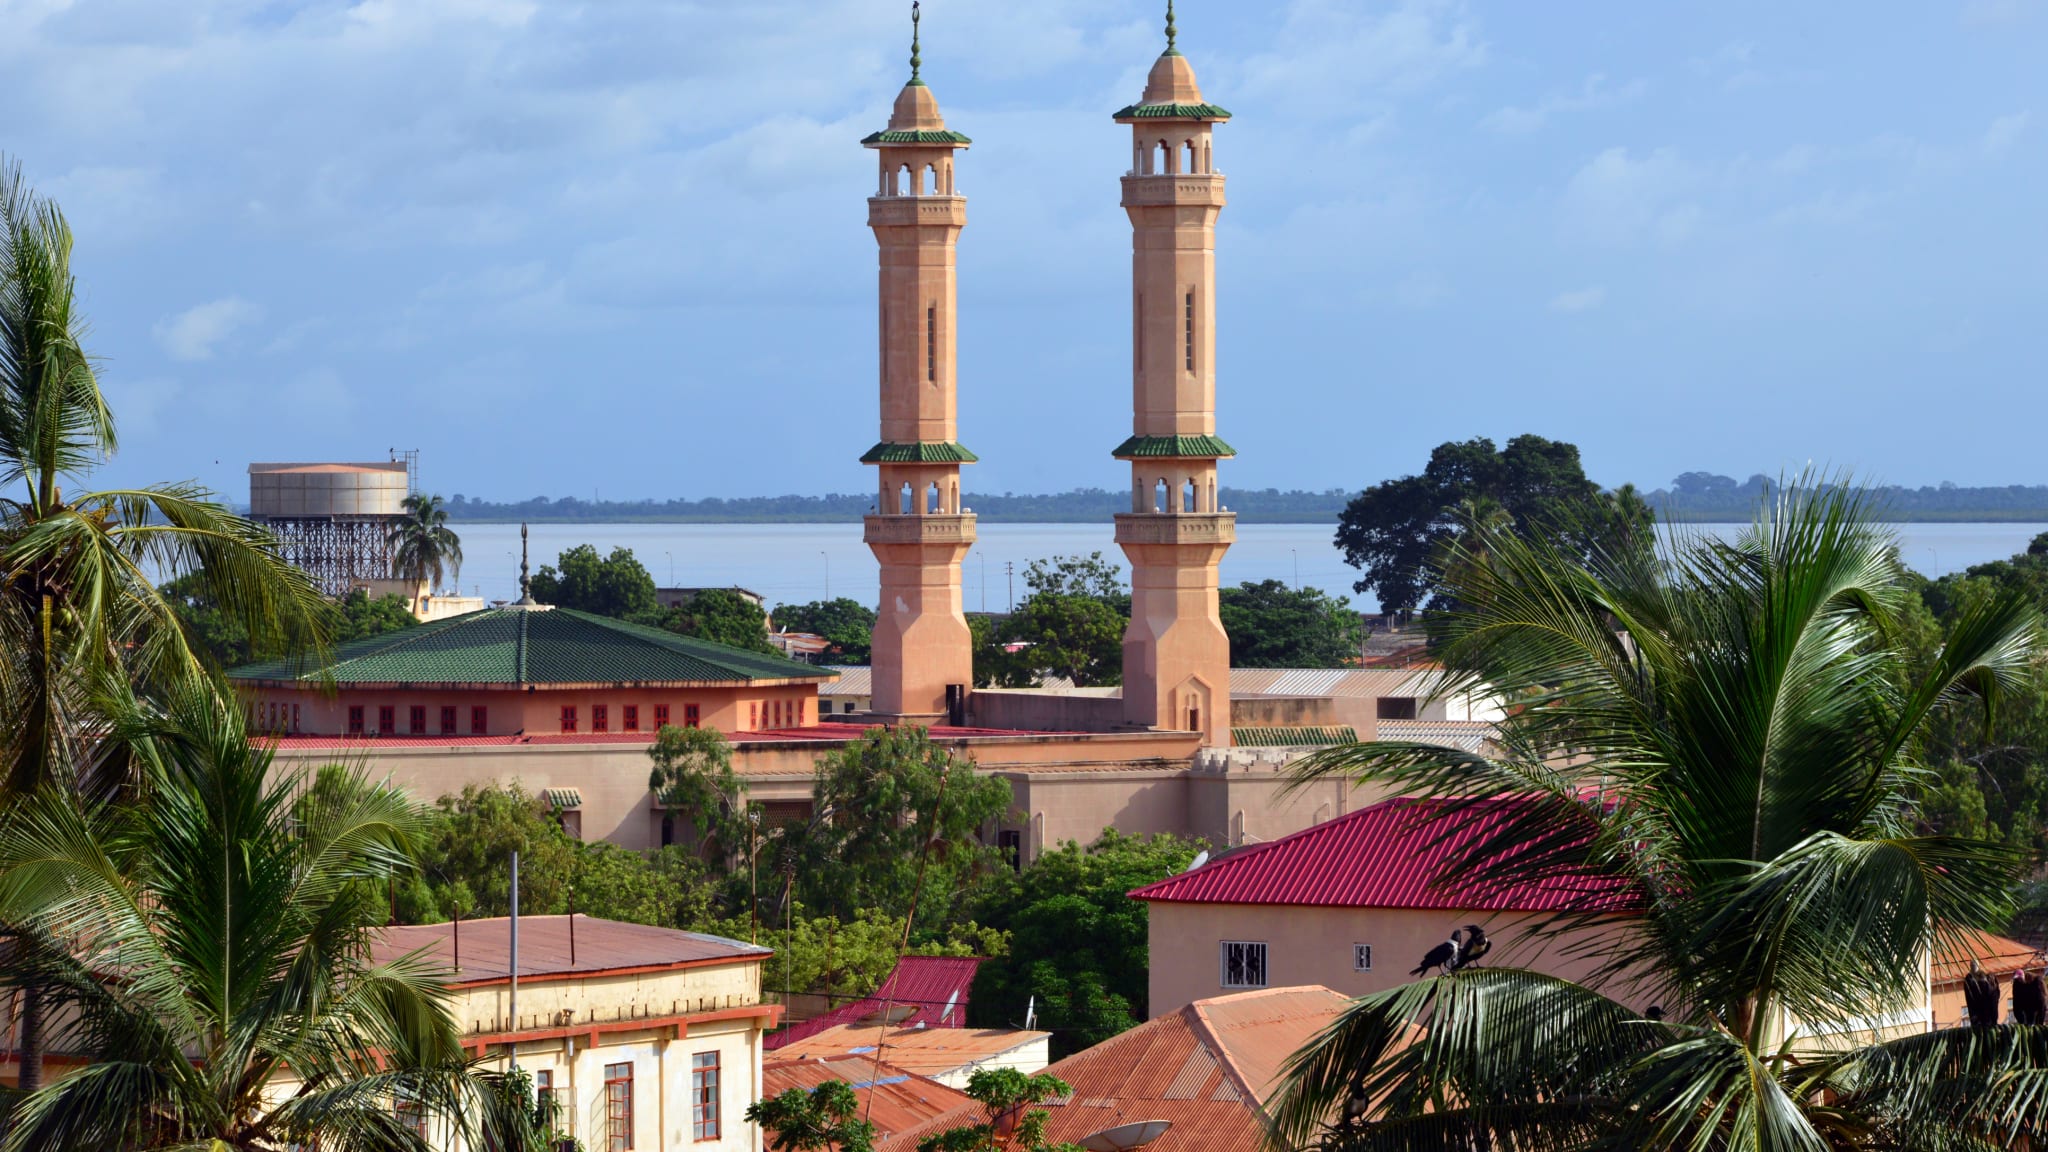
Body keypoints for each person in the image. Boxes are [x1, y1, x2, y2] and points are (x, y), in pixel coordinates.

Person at [1964, 959, 2002, 1028]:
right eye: (1972, 965)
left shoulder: (1982, 976)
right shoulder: (1968, 978)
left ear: (1978, 965)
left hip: (1984, 1007)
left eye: (1975, 965)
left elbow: (1988, 994)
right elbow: (1968, 997)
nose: (1974, 966)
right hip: (1974, 1004)